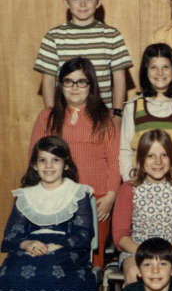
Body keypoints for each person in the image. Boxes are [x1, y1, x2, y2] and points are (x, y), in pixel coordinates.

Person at [0, 136, 95, 291]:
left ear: (66, 164)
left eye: (55, 160)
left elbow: (84, 234)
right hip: (31, 248)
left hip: (67, 250)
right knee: (11, 274)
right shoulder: (25, 195)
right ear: (34, 165)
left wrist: (58, 245)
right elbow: (11, 236)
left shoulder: (78, 193)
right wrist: (27, 243)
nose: (48, 166)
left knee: (52, 274)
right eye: (42, 160)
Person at [30, 57, 120, 267]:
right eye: (69, 81)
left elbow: (116, 160)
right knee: (57, 256)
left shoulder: (106, 118)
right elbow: (34, 161)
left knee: (92, 258)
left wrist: (110, 196)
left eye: (81, 82)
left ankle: (92, 288)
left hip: (96, 199)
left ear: (91, 85)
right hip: (55, 198)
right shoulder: (46, 117)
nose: (75, 87)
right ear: (61, 85)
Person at [34, 0, 134, 112]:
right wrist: (51, 115)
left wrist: (117, 114)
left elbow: (119, 80)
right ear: (66, 2)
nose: (82, 4)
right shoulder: (53, 37)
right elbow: (48, 80)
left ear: (98, 2)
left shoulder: (112, 35)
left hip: (102, 115)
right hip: (65, 116)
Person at [113, 129, 172, 285]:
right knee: (133, 272)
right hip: (137, 250)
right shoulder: (128, 188)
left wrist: (166, 253)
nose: (158, 161)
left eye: (164, 155)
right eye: (150, 156)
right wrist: (146, 255)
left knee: (170, 272)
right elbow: (120, 235)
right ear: (141, 160)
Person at [119, 43, 172, 181]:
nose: (160, 73)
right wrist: (132, 183)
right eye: (153, 67)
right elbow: (126, 151)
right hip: (142, 183)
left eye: (166, 67)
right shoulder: (132, 107)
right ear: (146, 71)